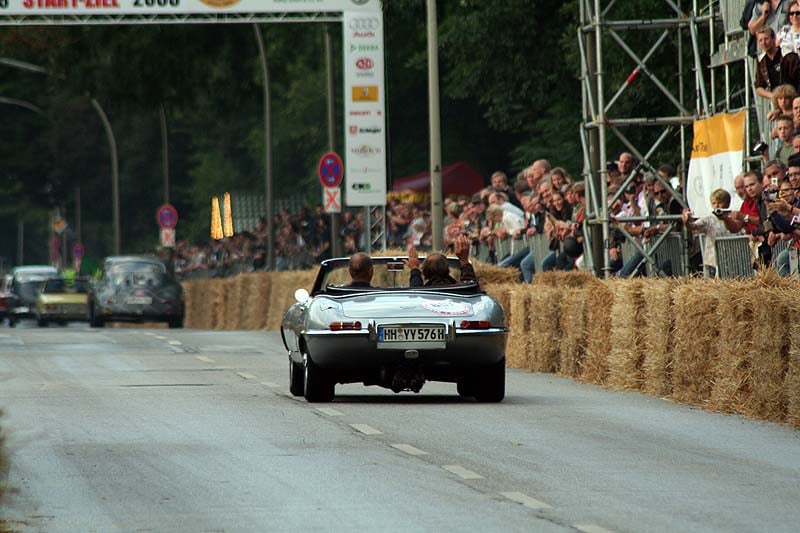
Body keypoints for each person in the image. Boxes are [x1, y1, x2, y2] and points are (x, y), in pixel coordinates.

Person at [682, 189, 737, 278]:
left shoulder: (733, 217)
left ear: (727, 203)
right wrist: (686, 222)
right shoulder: (709, 219)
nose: (717, 206)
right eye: (714, 203)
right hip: (711, 261)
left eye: (720, 202)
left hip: (729, 260)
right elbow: (693, 226)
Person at [406, 234, 478, 288]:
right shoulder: (460, 290)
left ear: (425, 272)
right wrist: (464, 260)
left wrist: (414, 269)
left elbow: (416, 292)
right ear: (447, 269)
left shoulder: (423, 294)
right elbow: (470, 287)